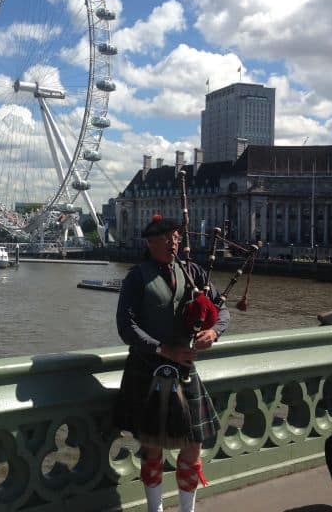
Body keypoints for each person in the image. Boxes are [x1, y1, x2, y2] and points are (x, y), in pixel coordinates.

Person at [114, 216, 229, 512]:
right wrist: (163, 349)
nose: (173, 242)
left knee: (193, 445)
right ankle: (155, 509)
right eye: (166, 238)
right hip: (147, 369)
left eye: (176, 237)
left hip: (185, 371)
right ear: (150, 243)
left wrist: (214, 332)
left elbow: (222, 309)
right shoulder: (136, 278)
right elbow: (126, 327)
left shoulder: (193, 272)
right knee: (152, 448)